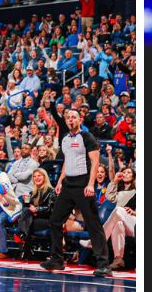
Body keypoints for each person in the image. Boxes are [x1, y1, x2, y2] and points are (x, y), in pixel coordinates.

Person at [40, 109, 110, 276]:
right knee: (55, 221)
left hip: (84, 185)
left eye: (74, 117)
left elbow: (95, 162)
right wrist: (60, 181)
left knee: (93, 224)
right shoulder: (64, 139)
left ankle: (104, 264)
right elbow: (67, 161)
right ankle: (57, 260)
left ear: (80, 119)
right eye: (68, 118)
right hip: (68, 185)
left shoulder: (87, 137)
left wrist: (91, 184)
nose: (71, 120)